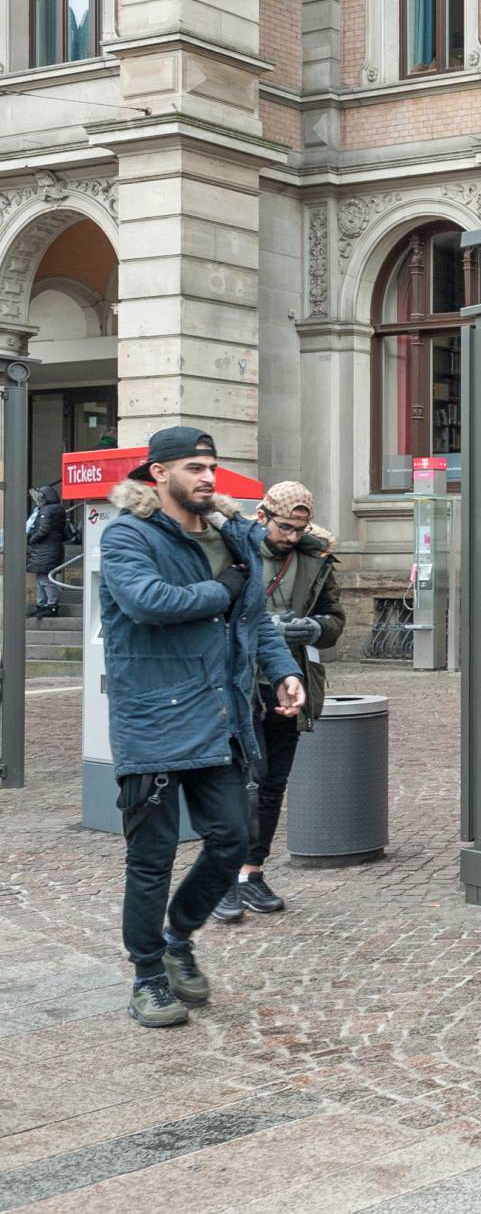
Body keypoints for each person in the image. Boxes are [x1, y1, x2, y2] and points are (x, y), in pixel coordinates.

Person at [101, 428, 303, 1028]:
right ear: (159, 473)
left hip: (222, 717)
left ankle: (177, 937)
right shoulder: (128, 535)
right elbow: (148, 602)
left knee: (232, 840)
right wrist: (224, 588)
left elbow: (254, 620)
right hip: (154, 719)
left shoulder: (229, 535)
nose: (208, 477)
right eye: (194, 467)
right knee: (152, 858)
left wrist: (283, 671)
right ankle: (147, 975)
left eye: (212, 466)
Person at [213, 482, 345, 923]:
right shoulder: (232, 551)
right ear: (262, 516)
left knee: (272, 782)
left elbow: (334, 619)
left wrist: (315, 628)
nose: (291, 536)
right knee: (242, 782)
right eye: (285, 527)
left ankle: (252, 872)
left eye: (299, 529)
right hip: (237, 683)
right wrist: (264, 626)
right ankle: (222, 877)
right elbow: (214, 611)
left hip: (288, 682)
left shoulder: (314, 559)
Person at [26, 482, 66, 617]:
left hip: (45, 548)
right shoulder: (58, 509)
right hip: (51, 547)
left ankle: (51, 605)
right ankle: (43, 605)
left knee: (44, 579)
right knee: (42, 578)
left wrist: (32, 539)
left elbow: (43, 529)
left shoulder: (46, 510)